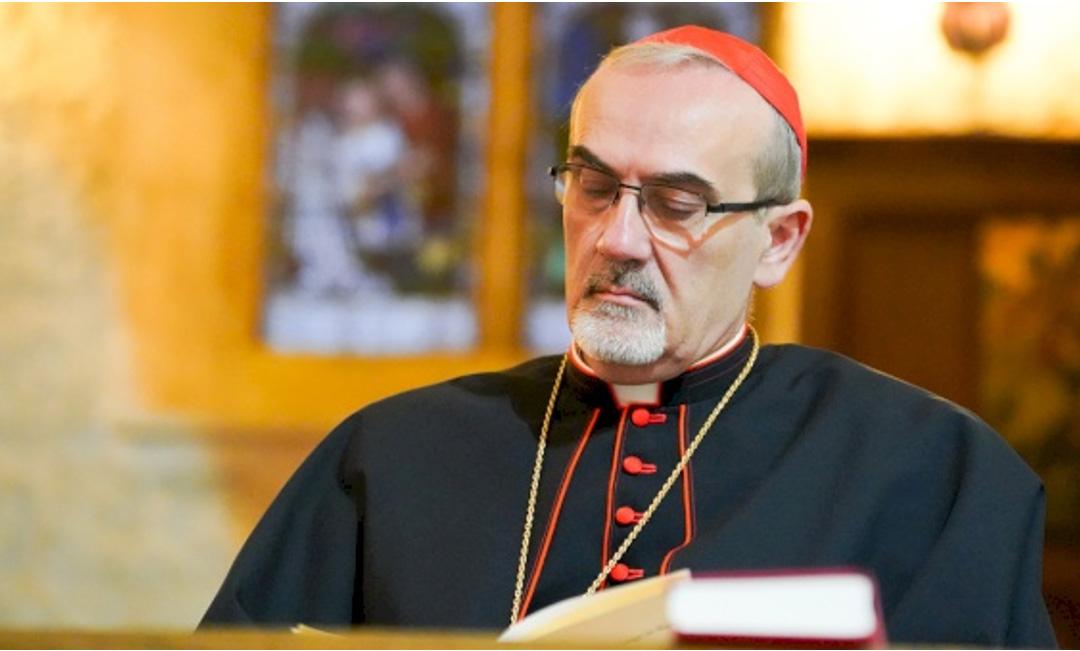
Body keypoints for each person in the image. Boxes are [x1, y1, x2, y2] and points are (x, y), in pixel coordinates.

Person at [201, 26, 1057, 647]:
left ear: (781, 241)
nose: (617, 239)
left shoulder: (931, 471)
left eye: (677, 204)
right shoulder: (387, 458)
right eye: (594, 186)